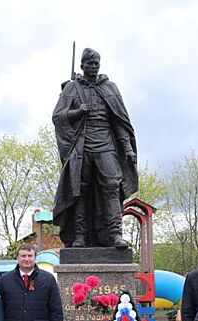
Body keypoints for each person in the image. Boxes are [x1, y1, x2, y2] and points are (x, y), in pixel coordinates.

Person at [51, 47, 138, 248]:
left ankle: (115, 234)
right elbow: (58, 117)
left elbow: (120, 120)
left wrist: (127, 148)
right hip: (81, 146)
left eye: (96, 64)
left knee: (112, 187)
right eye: (90, 64)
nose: (93, 67)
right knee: (79, 190)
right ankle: (80, 235)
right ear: (82, 66)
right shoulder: (72, 88)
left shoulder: (111, 88)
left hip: (106, 144)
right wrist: (77, 112)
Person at [0, 244, 63, 321]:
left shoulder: (48, 279)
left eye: (30, 256)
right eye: (23, 256)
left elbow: (56, 312)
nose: (26, 259)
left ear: (35, 257)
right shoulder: (4, 280)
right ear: (17, 258)